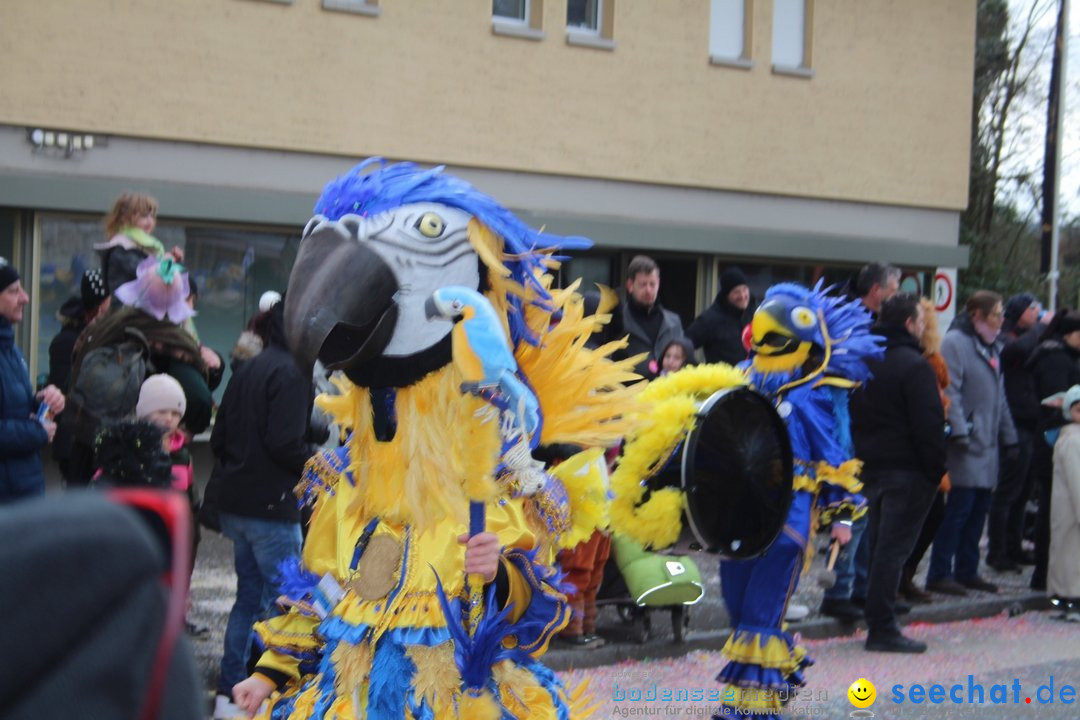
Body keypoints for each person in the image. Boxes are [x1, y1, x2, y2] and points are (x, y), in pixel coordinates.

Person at [210, 300, 319, 719]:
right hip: (272, 507)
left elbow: (219, 439)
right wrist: (321, 460)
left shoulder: (250, 367)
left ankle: (228, 697)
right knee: (286, 606)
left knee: (248, 599)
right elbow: (284, 443)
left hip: (237, 503)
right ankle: (267, 698)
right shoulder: (292, 372)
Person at [850, 293, 946, 652]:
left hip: (869, 466)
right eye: (920, 321)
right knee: (892, 550)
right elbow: (929, 424)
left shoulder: (866, 359)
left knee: (878, 548)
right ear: (908, 323)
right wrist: (934, 470)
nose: (923, 327)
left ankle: (878, 619)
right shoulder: (914, 365)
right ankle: (882, 626)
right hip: (907, 470)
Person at [820, 262, 900, 622]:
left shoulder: (869, 324)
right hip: (845, 428)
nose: (897, 296)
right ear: (877, 290)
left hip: (859, 425)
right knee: (848, 512)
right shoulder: (851, 323)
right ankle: (838, 590)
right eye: (894, 289)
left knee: (861, 514)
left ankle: (855, 588)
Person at [926, 291, 1017, 596]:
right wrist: (962, 431)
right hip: (967, 444)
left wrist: (1010, 436)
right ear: (977, 314)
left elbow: (999, 396)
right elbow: (952, 392)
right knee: (958, 511)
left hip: (987, 443)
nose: (1001, 320)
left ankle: (967, 569)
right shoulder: (956, 343)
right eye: (996, 314)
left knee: (979, 509)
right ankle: (940, 571)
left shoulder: (991, 346)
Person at [989, 292, 1051, 572]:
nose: (1037, 312)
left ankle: (1013, 547)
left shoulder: (1028, 337)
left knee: (1023, 490)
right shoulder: (1005, 337)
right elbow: (1015, 352)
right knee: (1008, 491)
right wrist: (1042, 325)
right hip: (1012, 422)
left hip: (1029, 420)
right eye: (1032, 308)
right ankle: (997, 550)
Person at [899, 297, 952, 604]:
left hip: (929, 444)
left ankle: (906, 573)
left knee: (933, 513)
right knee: (910, 519)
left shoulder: (930, 361)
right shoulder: (915, 361)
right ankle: (898, 578)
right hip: (913, 449)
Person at [0, 257, 65, 502]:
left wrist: (44, 404)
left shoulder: (11, 350)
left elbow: (13, 411)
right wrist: (37, 431)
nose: (25, 298)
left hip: (22, 490)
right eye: (13, 291)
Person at [1027, 310, 1080, 591]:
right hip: (1055, 443)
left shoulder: (1063, 356)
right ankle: (1045, 572)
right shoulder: (1056, 359)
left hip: (1057, 441)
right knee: (1055, 513)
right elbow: (1059, 403)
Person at [95, 192, 183, 295]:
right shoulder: (120, 246)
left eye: (152, 216)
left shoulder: (147, 246)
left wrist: (173, 261)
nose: (150, 221)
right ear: (124, 218)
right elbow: (141, 271)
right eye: (144, 216)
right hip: (125, 309)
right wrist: (164, 262)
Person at [611, 255, 684, 378]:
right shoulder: (618, 320)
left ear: (659, 284)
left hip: (668, 393)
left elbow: (683, 359)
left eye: (652, 284)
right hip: (628, 393)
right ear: (630, 285)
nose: (648, 290)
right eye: (643, 284)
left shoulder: (673, 322)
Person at [47, 268, 110, 393]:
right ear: (99, 308)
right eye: (111, 301)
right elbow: (62, 393)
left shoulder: (111, 334)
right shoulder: (66, 342)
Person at [1050, 385, 1080, 620]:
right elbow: (1076, 478)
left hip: (1065, 507)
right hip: (1073, 507)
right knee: (1072, 555)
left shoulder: (1067, 437)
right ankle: (1072, 599)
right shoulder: (1074, 440)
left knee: (1065, 552)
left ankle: (1062, 597)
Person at [685, 266, 754, 365]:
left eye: (744, 289)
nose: (742, 296)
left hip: (753, 379)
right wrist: (698, 371)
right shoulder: (709, 319)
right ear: (726, 295)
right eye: (736, 292)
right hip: (723, 379)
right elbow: (683, 346)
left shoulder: (756, 315)